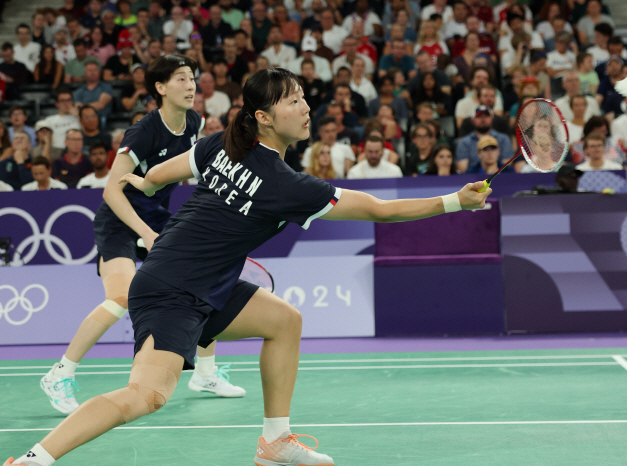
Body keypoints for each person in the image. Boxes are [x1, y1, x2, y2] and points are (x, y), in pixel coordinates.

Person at [5, 65, 490, 466]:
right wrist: (455, 201)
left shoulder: (219, 145)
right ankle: (35, 459)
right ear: (262, 116)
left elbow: (157, 174)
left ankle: (274, 441)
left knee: (284, 320)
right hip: (171, 287)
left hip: (205, 283)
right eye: (292, 101)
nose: (305, 108)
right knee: (146, 396)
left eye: (303, 98)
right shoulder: (288, 184)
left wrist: (145, 185)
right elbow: (380, 210)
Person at [35, 55, 243, 419]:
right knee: (120, 296)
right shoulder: (143, 131)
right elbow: (111, 192)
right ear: (160, 88)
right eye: (181, 79)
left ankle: (205, 375)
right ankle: (59, 373)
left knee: (202, 282)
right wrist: (145, 232)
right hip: (119, 221)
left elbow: (185, 170)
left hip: (156, 216)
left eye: (192, 78)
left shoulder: (192, 122)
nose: (191, 85)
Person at [455, 105, 513, 173]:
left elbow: (507, 163)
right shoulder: (464, 142)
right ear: (472, 120)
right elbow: (463, 169)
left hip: (501, 176)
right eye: (479, 116)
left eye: (486, 116)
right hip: (473, 177)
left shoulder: (504, 139)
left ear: (492, 119)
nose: (483, 119)